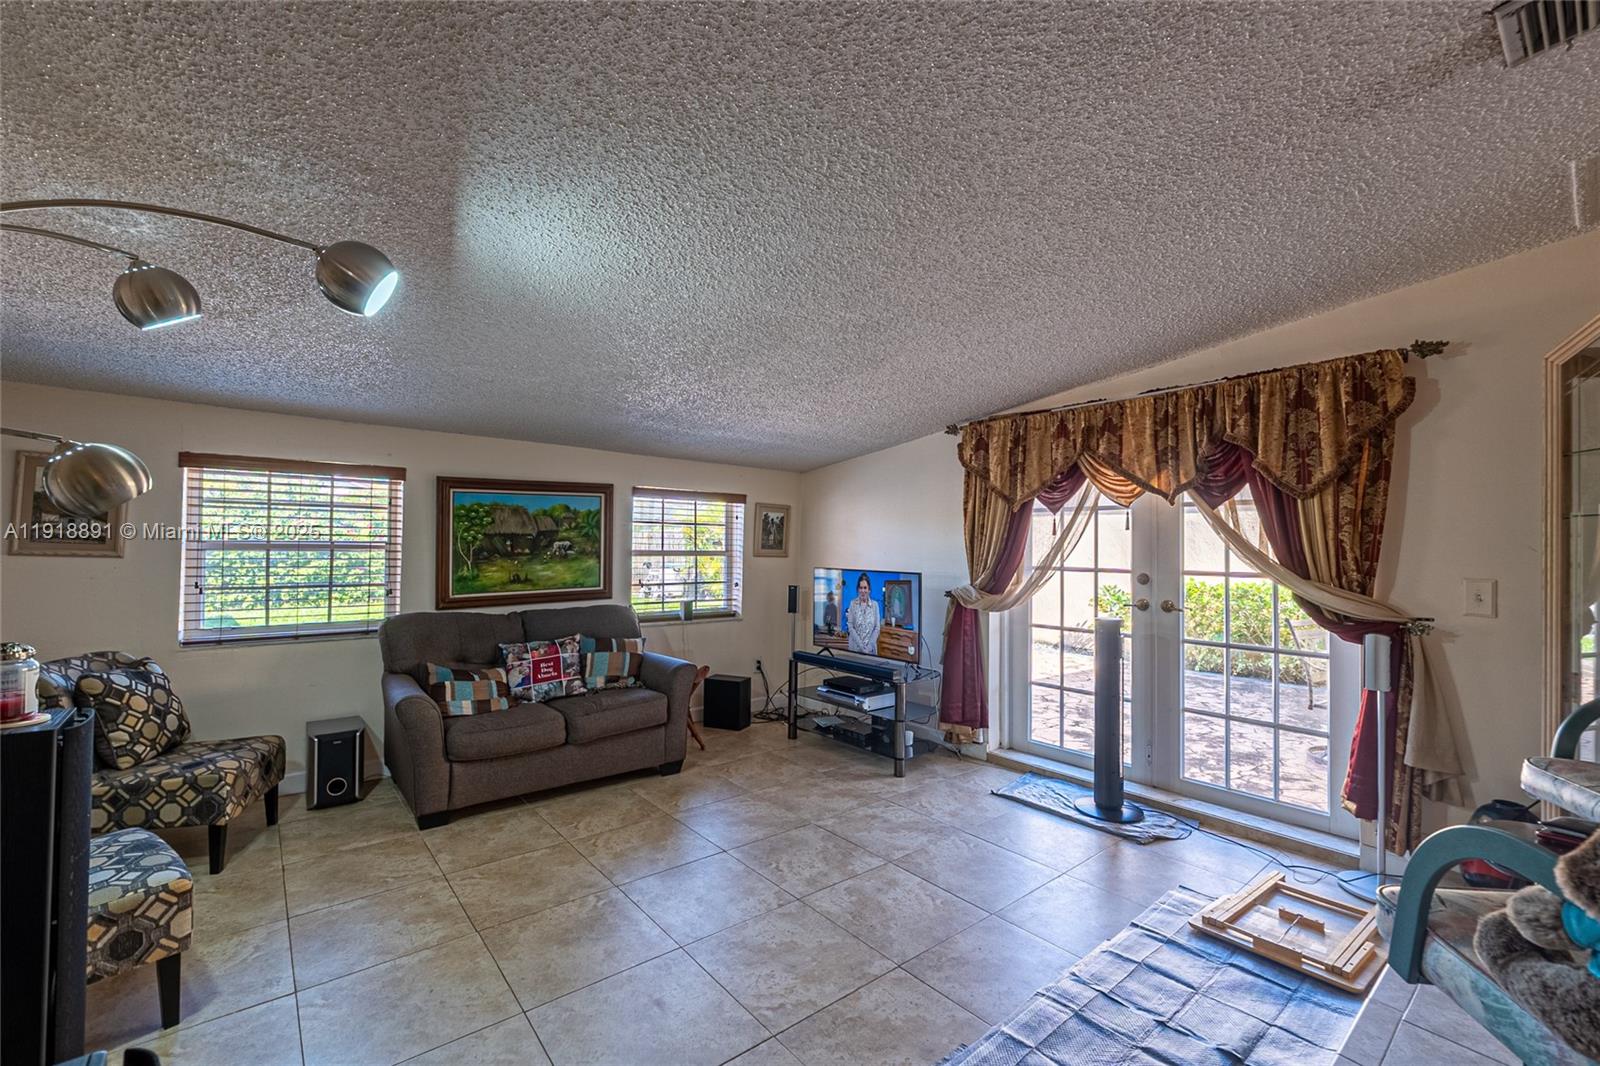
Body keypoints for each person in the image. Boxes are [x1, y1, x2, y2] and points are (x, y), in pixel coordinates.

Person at [845, 572, 881, 655]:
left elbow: (877, 628)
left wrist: (869, 647)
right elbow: (850, 626)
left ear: (869, 590)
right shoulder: (852, 604)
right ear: (858, 589)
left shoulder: (875, 605)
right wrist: (861, 646)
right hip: (855, 649)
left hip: (870, 650)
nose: (863, 591)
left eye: (865, 588)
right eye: (860, 588)